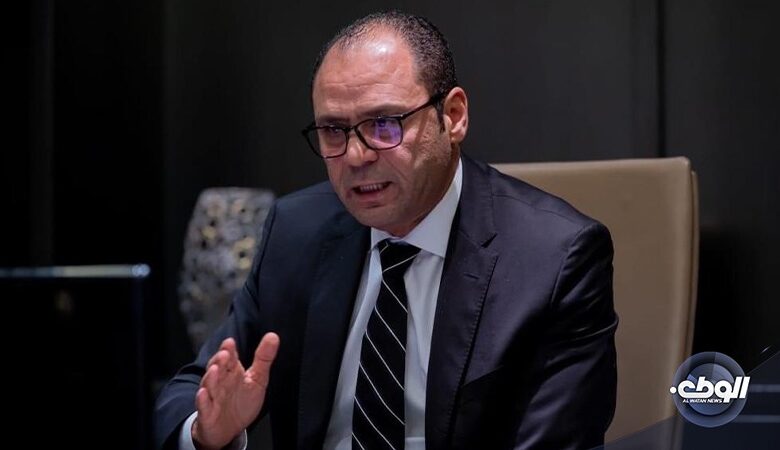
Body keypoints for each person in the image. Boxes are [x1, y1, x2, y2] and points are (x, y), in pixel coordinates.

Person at [155, 10, 617, 450]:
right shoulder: (296, 232)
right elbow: (192, 391)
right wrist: (207, 432)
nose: (357, 156)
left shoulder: (553, 258)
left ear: (453, 116)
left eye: (383, 124)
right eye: (333, 130)